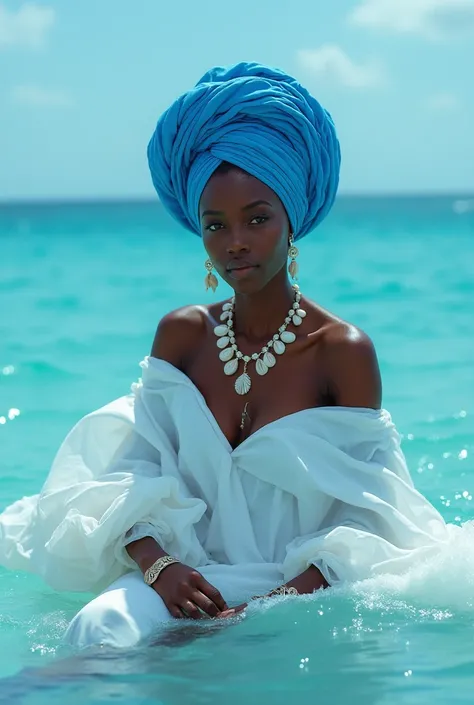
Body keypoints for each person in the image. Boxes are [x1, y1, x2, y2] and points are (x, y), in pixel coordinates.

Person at [0, 62, 458, 649]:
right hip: (182, 573)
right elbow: (130, 472)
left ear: (293, 222)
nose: (235, 242)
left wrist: (271, 608)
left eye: (257, 218)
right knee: (97, 629)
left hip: (293, 589)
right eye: (215, 225)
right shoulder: (182, 337)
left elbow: (369, 515)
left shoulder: (341, 352)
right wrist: (160, 568)